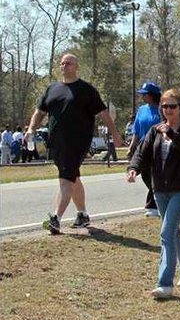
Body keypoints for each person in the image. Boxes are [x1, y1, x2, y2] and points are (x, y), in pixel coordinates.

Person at [25, 53, 123, 234]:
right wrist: (31, 128)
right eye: (62, 63)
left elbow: (104, 114)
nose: (64, 66)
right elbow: (39, 112)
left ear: (76, 66)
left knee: (65, 178)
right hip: (57, 143)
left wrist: (115, 134)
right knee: (72, 176)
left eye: (68, 63)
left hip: (78, 142)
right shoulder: (52, 89)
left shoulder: (86, 90)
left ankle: (56, 218)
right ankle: (83, 214)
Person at [127, 89, 180, 299]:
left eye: (172, 106)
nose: (167, 110)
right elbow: (142, 153)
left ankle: (164, 284)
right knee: (173, 232)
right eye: (164, 106)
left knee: (166, 233)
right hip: (160, 190)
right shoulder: (155, 130)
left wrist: (173, 134)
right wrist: (134, 168)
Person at [127, 81, 163, 217]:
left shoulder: (162, 109)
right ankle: (159, 198)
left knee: (155, 175)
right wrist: (131, 147)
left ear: (152, 95)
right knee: (146, 176)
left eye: (145, 94)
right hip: (143, 147)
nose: (142, 97)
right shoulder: (142, 110)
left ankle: (153, 206)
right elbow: (136, 130)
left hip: (158, 147)